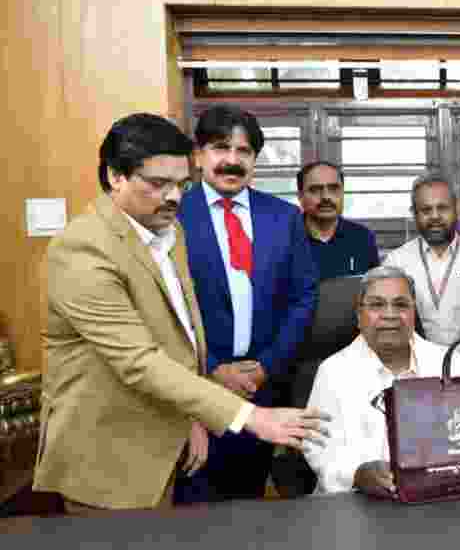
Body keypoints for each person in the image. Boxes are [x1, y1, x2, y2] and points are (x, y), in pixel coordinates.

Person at [34, 113, 329, 512]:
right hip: (112, 457)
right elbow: (139, 360)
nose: (173, 196)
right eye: (158, 184)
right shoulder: (84, 249)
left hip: (171, 435)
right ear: (115, 176)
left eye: (180, 184)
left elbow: (180, 335)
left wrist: (188, 417)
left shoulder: (167, 235)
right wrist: (251, 417)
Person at [176, 105, 319, 502]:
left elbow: (304, 296)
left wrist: (265, 367)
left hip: (261, 389)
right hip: (196, 390)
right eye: (222, 148)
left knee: (248, 506)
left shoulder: (284, 218)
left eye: (244, 151)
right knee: (193, 509)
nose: (232, 161)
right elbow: (166, 310)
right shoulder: (173, 217)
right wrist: (213, 369)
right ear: (198, 155)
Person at [304, 266, 460, 496]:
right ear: (359, 316)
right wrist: (357, 474)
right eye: (376, 305)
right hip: (354, 503)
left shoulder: (450, 364)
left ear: (414, 313)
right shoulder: (333, 372)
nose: (390, 315)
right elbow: (318, 447)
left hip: (438, 499)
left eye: (401, 305)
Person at [383, 175, 460, 347]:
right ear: (414, 214)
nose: (435, 216)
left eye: (442, 208)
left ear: (457, 209)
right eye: (426, 210)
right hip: (418, 366)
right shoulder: (396, 262)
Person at [297, 161, 380, 280]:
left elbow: (373, 289)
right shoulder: (285, 239)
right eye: (315, 189)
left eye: (334, 188)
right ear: (300, 196)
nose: (326, 196)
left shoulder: (362, 237)